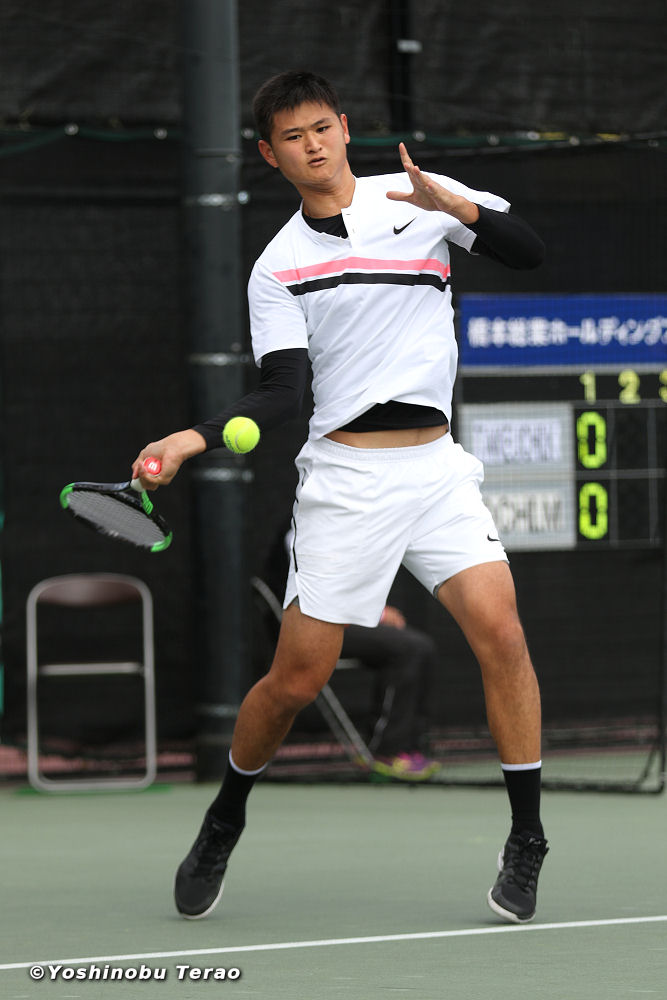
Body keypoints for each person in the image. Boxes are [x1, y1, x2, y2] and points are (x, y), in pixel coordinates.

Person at [132, 70, 549, 925]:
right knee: (295, 680)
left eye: (321, 127)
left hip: (437, 470)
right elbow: (281, 393)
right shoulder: (276, 266)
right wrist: (193, 438)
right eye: (293, 137)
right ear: (270, 155)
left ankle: (527, 836)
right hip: (347, 481)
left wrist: (457, 209)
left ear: (344, 128)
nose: (312, 145)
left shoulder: (421, 196)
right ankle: (224, 818)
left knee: (502, 633)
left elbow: (527, 251)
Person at [264, 519, 441, 778]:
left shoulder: (344, 523)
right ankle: (385, 752)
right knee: (409, 649)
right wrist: (376, 614)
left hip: (336, 620)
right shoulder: (304, 522)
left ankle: (411, 747)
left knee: (422, 647)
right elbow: (313, 585)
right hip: (305, 627)